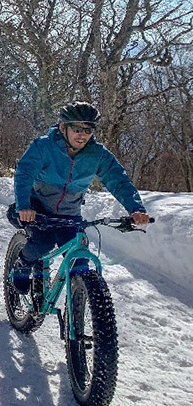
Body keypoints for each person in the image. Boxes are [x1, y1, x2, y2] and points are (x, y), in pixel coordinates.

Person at [9, 100, 150, 293]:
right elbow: (24, 174)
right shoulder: (43, 146)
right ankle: (22, 264)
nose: (82, 135)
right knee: (43, 243)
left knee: (80, 260)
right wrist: (24, 205)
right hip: (38, 209)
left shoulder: (98, 154)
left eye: (88, 129)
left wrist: (136, 209)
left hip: (69, 214)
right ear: (63, 127)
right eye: (76, 128)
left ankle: (78, 304)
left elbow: (119, 181)